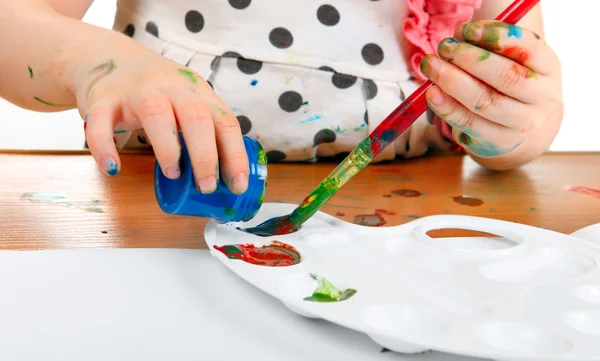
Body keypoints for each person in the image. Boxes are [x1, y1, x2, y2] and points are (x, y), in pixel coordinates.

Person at [0, 0, 563, 195]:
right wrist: (97, 65)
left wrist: (517, 126)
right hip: (162, 214)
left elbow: (520, 99)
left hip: (403, 234)